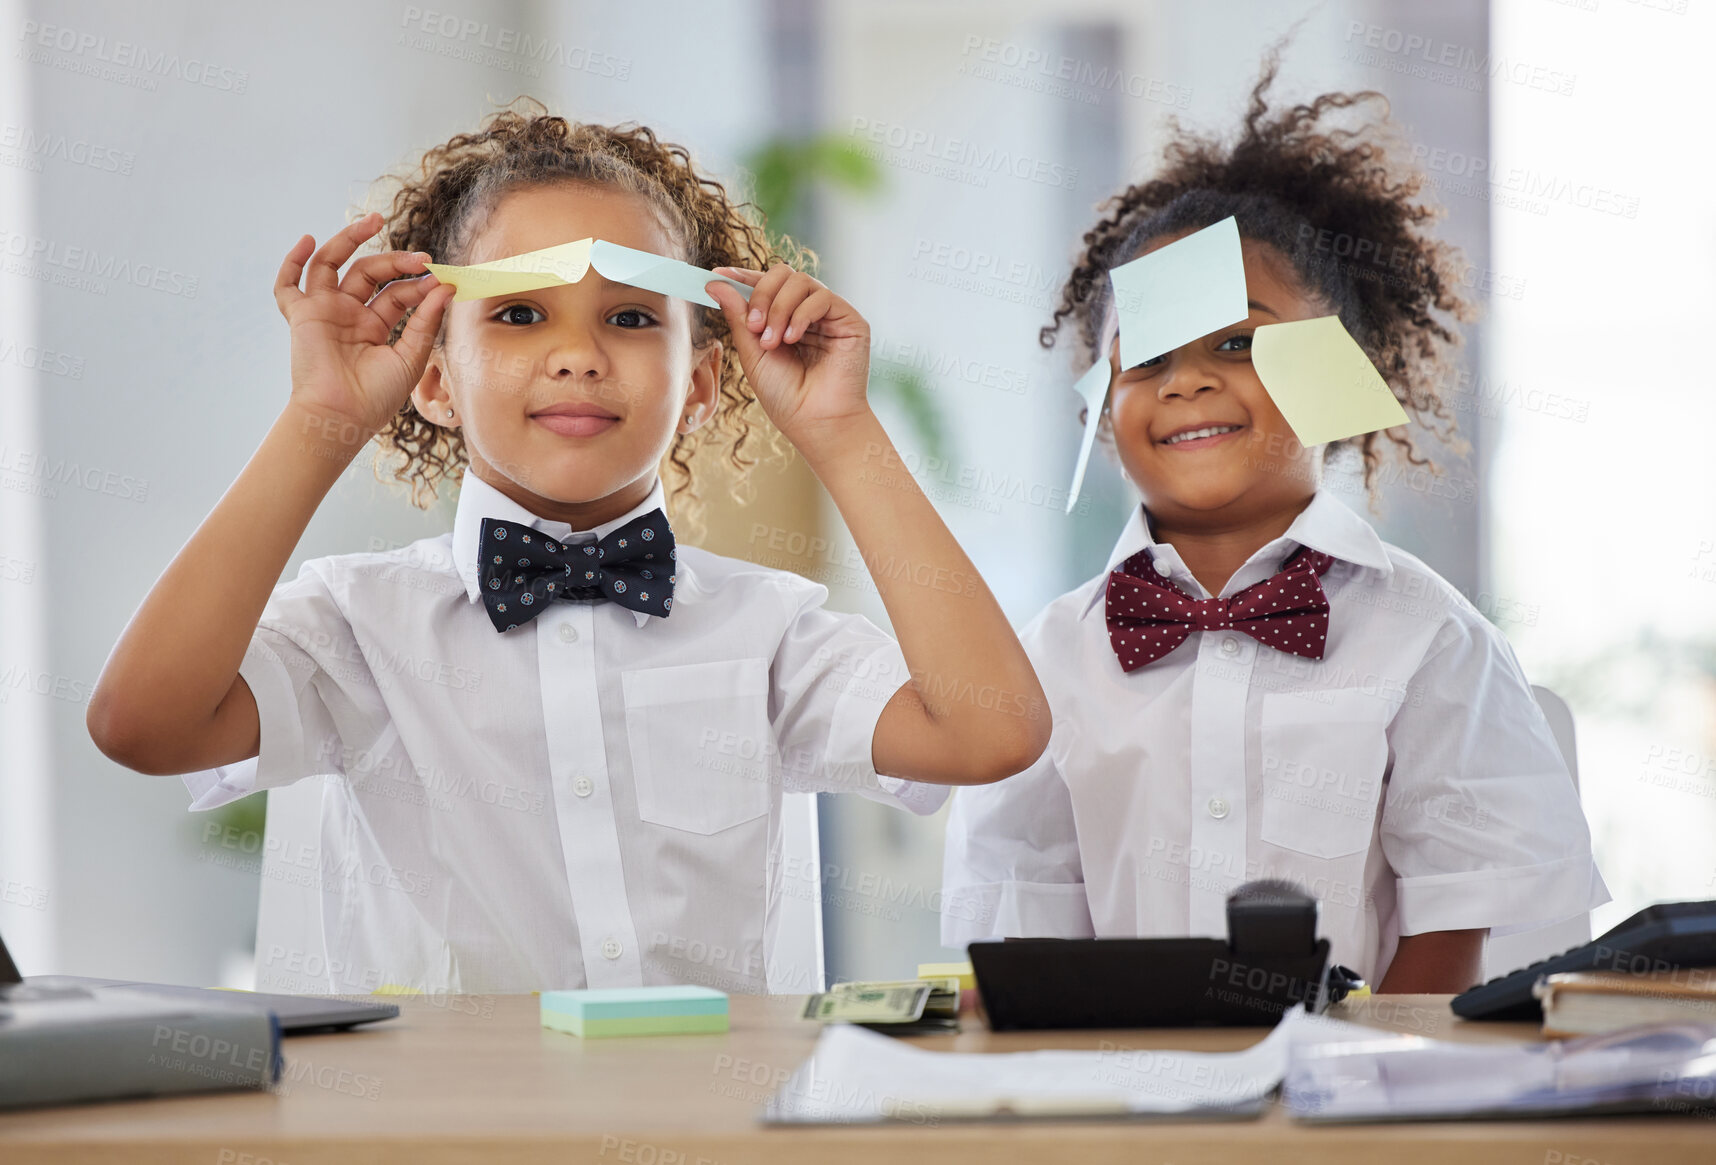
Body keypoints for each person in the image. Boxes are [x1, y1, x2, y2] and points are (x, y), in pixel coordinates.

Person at [88, 103, 1048, 994]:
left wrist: (842, 431)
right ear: (432, 381)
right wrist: (319, 422)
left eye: (631, 317)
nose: (579, 353)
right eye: (518, 312)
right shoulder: (354, 623)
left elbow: (992, 730)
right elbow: (141, 723)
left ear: (704, 384)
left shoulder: (771, 631)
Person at [940, 57, 1606, 992]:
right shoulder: (1042, 666)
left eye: (1239, 342)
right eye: (1147, 359)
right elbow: (1017, 937)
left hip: (1361, 1112)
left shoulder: (1432, 644)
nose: (1187, 381)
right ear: (1098, 402)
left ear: (1343, 371)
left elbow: (1461, 928)